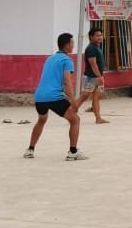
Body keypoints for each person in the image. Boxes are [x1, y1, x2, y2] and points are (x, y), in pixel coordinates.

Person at [24, 33, 88, 161]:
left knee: (41, 120)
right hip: (54, 97)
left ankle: (30, 149)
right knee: (75, 120)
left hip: (40, 96)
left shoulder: (50, 59)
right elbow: (66, 81)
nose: (73, 46)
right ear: (67, 45)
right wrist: (73, 101)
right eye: (72, 43)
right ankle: (73, 152)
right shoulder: (67, 60)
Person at [83, 28, 110, 124]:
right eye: (97, 35)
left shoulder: (97, 47)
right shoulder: (90, 48)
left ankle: (98, 118)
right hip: (91, 78)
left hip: (97, 77)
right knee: (84, 97)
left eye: (101, 35)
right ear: (91, 37)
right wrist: (99, 76)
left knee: (97, 97)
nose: (100, 37)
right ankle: (71, 112)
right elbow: (93, 64)